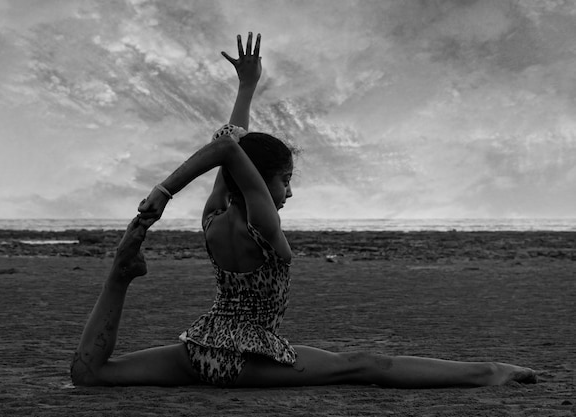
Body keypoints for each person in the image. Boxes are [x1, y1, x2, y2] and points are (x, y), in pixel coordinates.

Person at [70, 33, 537, 388]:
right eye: (285, 180)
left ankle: (118, 277)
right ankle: (490, 372)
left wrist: (247, 87)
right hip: (250, 362)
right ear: (259, 182)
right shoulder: (263, 226)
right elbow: (233, 152)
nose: (289, 193)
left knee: (94, 374)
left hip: (199, 350)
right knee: (367, 366)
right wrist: (163, 191)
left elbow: (232, 145)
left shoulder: (213, 217)